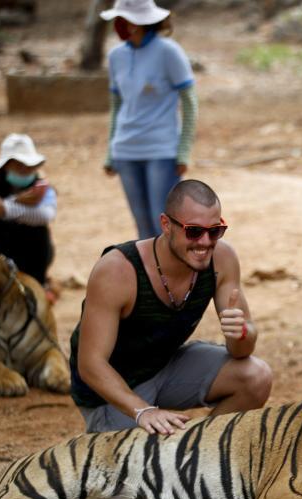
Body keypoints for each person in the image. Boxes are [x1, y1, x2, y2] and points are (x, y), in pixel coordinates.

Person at [69, 179, 272, 434]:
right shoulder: (118, 271)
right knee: (149, 463)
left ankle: (200, 450)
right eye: (194, 231)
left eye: (215, 230)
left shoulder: (222, 259)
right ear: (166, 225)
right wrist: (142, 410)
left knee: (256, 377)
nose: (206, 242)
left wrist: (242, 333)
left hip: (164, 368)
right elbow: (90, 364)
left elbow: (242, 350)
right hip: (111, 393)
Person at [100, 0, 198, 239]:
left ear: (138, 22)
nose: (119, 24)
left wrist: (183, 150)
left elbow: (189, 102)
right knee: (143, 229)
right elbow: (117, 107)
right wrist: (110, 152)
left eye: (123, 18)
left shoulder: (169, 51)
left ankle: (177, 276)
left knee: (165, 225)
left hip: (161, 150)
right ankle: (152, 277)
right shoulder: (116, 57)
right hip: (126, 151)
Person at [0, 133, 57, 289]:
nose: (25, 170)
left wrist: (5, 209)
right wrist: (15, 201)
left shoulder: (42, 187)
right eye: (18, 165)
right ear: (5, 165)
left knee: (39, 232)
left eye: (29, 166)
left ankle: (38, 285)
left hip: (29, 250)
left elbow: (46, 215)